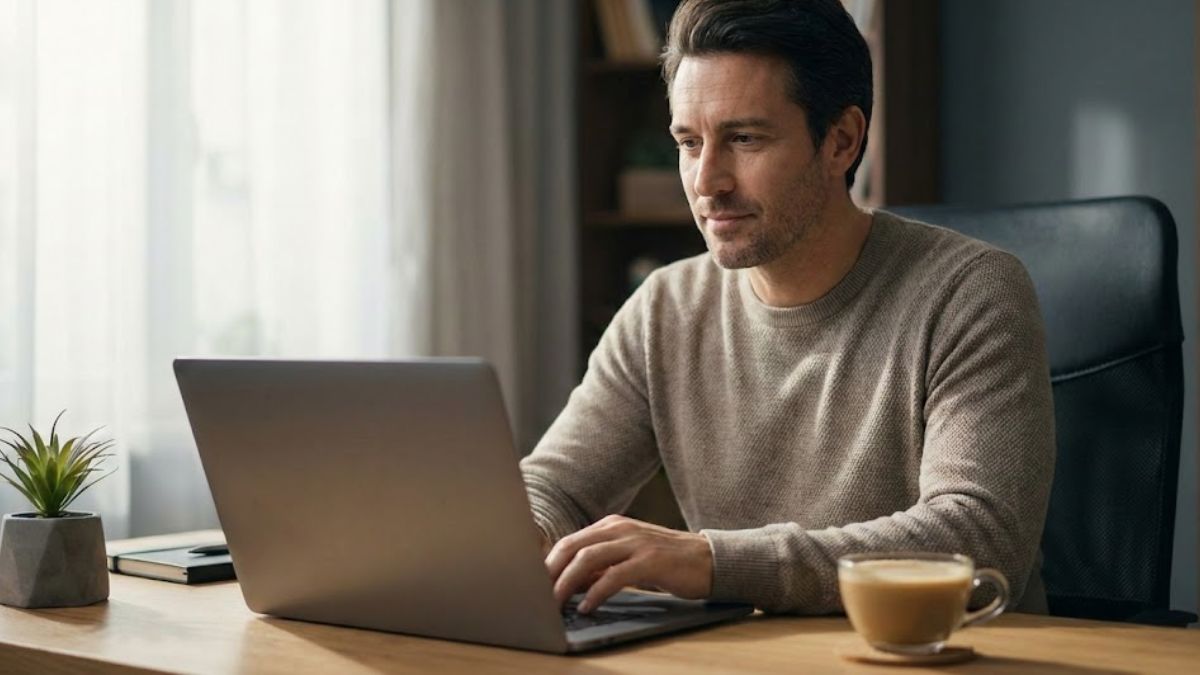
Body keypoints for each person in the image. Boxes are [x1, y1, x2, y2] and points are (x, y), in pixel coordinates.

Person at [521, 0, 1055, 616]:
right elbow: (555, 485)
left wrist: (716, 562)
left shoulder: (972, 293)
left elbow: (979, 540)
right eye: (689, 142)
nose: (707, 181)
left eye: (744, 138)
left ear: (841, 141)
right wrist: (522, 536)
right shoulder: (664, 308)